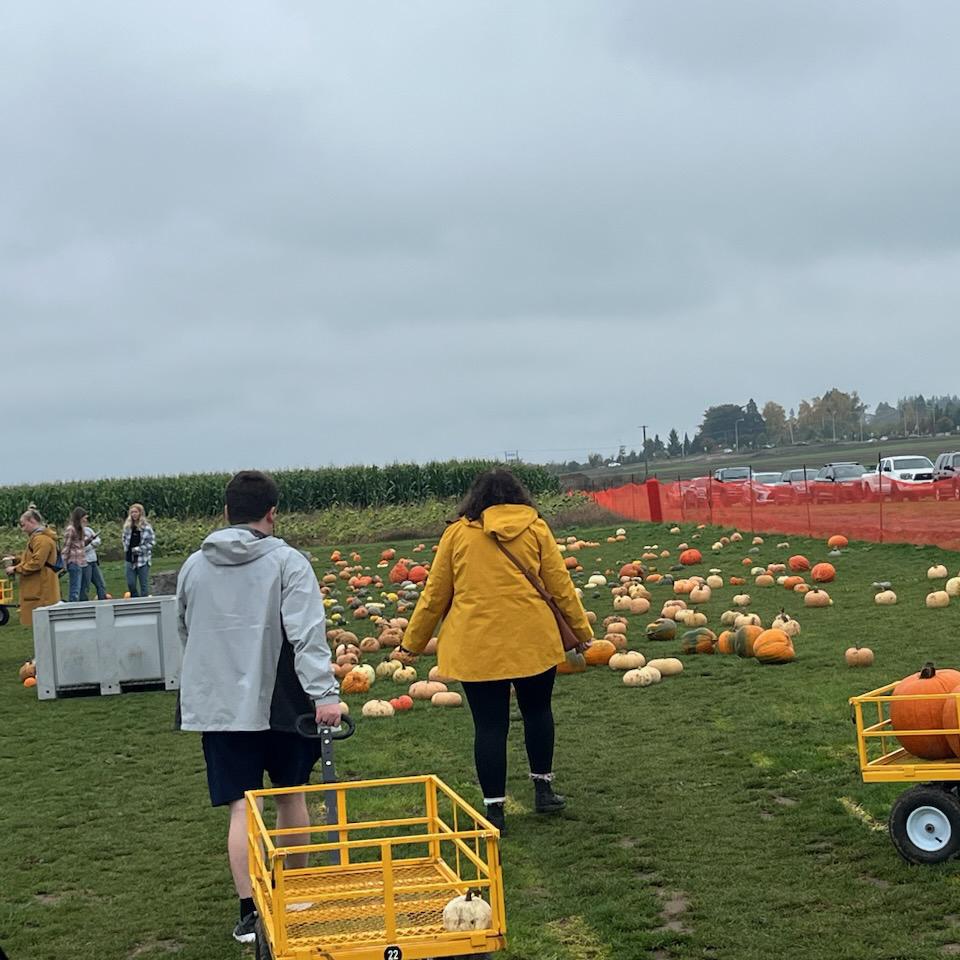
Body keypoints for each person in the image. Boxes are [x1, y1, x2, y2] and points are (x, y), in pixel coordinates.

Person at [176, 470, 341, 944]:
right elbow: (308, 635)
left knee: (241, 805)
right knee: (290, 795)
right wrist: (325, 695)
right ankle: (290, 894)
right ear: (272, 513)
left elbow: (185, 628)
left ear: (226, 513)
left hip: (219, 701)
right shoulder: (289, 562)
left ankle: (250, 912)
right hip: (282, 697)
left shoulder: (193, 566)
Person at [400, 469, 594, 835]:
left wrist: (412, 642)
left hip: (477, 643)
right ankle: (543, 790)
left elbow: (435, 594)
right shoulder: (535, 528)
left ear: (475, 499)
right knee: (538, 711)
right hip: (532, 638)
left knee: (489, 726)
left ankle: (495, 811)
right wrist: (581, 632)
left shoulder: (457, 534)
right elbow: (561, 585)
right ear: (518, 496)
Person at [3, 507, 62, 626]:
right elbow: (31, 558)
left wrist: (15, 569)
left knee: (44, 626)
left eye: (23, 525)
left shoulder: (42, 540)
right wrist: (15, 560)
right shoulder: (36, 538)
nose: (22, 529)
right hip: (38, 587)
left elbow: (36, 563)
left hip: (42, 588)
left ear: (32, 521)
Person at [122, 503, 155, 597]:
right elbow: (124, 538)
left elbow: (151, 543)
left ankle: (144, 603)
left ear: (140, 513)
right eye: (132, 512)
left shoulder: (146, 528)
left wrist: (139, 549)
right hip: (129, 558)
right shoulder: (127, 527)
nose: (134, 514)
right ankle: (135, 600)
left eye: (136, 512)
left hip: (142, 559)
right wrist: (126, 548)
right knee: (131, 583)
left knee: (143, 584)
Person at [61, 507, 90, 602]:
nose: (86, 520)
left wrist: (89, 540)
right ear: (79, 518)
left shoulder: (80, 529)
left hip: (82, 561)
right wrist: (63, 563)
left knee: (83, 587)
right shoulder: (71, 529)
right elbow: (66, 547)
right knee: (75, 588)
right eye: (84, 518)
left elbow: (80, 545)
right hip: (74, 561)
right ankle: (72, 608)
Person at [80, 512, 108, 600]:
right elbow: (81, 548)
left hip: (93, 561)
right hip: (85, 562)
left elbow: (98, 540)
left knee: (101, 584)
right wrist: (91, 545)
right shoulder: (76, 532)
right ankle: (83, 606)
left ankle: (102, 603)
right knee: (85, 586)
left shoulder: (88, 529)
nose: (86, 520)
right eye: (84, 518)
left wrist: (91, 543)